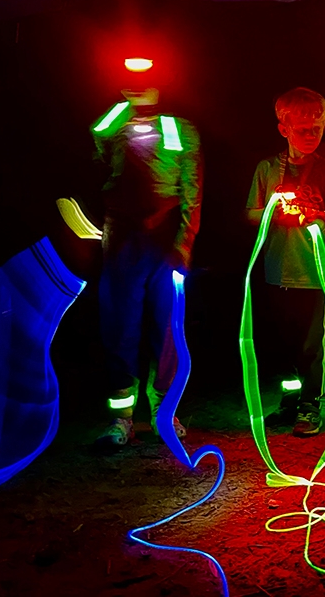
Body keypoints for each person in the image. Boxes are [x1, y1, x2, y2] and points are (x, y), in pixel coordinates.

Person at [91, 56, 203, 448]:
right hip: (121, 237)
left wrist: (184, 244)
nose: (138, 87)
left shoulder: (179, 128)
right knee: (119, 325)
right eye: (129, 80)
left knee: (168, 327)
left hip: (166, 240)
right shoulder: (111, 121)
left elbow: (193, 188)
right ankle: (121, 419)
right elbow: (98, 154)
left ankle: (164, 413)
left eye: (148, 80)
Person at [245, 87, 325, 437]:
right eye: (302, 129)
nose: (310, 136)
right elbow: (250, 214)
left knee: (311, 344)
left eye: (316, 129)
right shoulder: (267, 169)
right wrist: (273, 213)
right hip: (277, 270)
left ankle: (310, 406)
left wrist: (324, 219)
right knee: (282, 341)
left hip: (315, 272)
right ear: (283, 129)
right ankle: (289, 402)